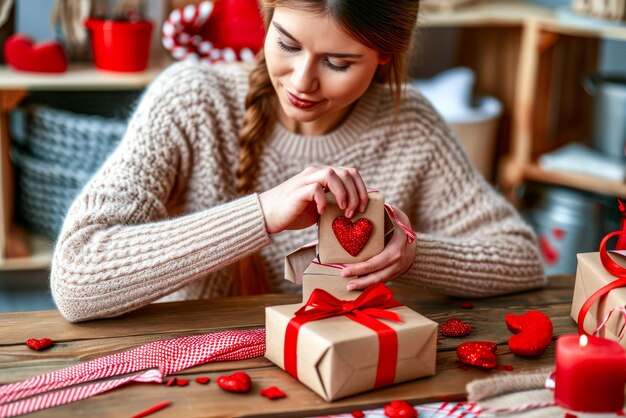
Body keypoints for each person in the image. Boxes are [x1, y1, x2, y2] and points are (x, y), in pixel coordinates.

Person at [50, 0, 545, 322]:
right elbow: (75, 277)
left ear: (385, 57)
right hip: (204, 380)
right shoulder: (190, 99)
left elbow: (521, 260)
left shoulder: (410, 126)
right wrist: (261, 214)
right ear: (266, 15)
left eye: (338, 62)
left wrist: (412, 255)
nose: (302, 81)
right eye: (287, 44)